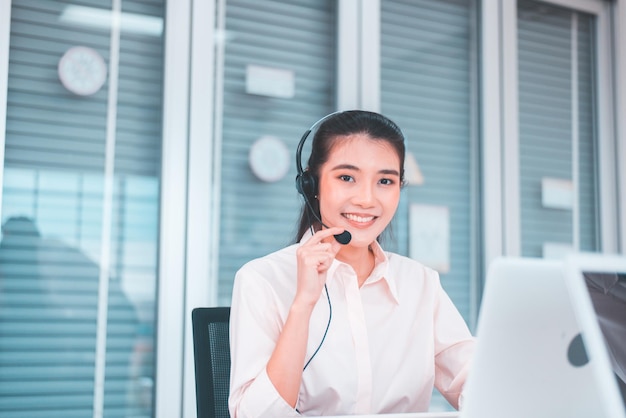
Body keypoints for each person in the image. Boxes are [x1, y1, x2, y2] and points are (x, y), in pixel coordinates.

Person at [228, 110, 475, 417]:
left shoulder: (420, 283)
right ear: (311, 184)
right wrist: (303, 304)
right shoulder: (262, 280)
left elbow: (481, 385)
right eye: (347, 177)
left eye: (385, 180)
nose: (366, 199)